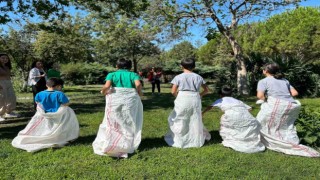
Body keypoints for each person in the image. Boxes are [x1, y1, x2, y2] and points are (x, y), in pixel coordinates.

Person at [256, 63, 319, 157]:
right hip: (291, 106)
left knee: (260, 122)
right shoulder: (285, 80)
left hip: (277, 105)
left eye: (263, 69)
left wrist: (267, 98)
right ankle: (284, 139)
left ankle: (266, 140)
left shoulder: (263, 81)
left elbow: (260, 96)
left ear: (266, 71)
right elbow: (294, 93)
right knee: (284, 125)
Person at [12, 78, 79, 152]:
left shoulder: (40, 94)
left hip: (44, 114)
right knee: (60, 125)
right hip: (59, 115)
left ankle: (45, 135)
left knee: (48, 126)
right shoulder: (60, 94)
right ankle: (59, 137)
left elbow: (37, 102)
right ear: (59, 86)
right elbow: (66, 103)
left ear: (46, 85)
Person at [92, 58, 143, 158]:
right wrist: (139, 93)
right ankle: (128, 142)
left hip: (116, 99)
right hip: (130, 99)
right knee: (129, 119)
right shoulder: (133, 75)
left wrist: (103, 91)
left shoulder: (112, 74)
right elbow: (138, 84)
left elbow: (107, 86)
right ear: (130, 66)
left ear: (117, 66)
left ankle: (113, 140)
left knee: (113, 119)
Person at [202, 86, 265, 153]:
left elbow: (210, 107)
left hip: (232, 115)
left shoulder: (221, 100)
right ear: (231, 94)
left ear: (220, 95)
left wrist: (202, 113)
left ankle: (232, 139)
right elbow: (250, 108)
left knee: (226, 121)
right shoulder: (238, 101)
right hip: (246, 116)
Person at [164, 58, 211, 148]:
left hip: (182, 97)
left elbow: (173, 91)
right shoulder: (198, 77)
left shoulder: (178, 77)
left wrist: (178, 97)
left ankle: (180, 139)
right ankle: (195, 139)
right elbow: (206, 90)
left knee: (179, 117)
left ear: (181, 66)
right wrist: (200, 95)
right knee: (195, 118)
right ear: (194, 67)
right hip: (195, 98)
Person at [0, 53, 19, 121]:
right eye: (3, 58)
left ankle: (9, 112)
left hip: (8, 83)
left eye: (6, 58)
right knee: (2, 99)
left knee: (12, 97)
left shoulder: (7, 67)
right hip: (1, 83)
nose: (5, 59)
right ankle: (0, 114)